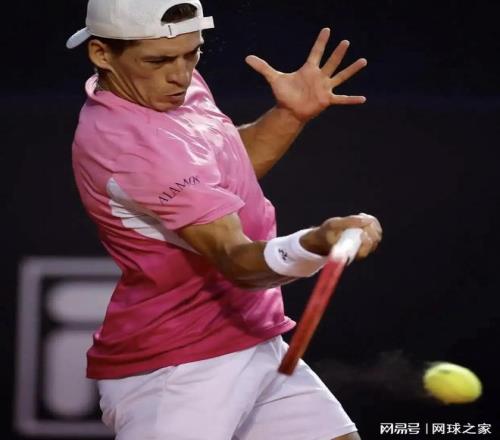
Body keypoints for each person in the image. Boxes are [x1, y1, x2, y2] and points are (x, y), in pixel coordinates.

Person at [67, 0, 382, 438]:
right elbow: (236, 261)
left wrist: (290, 115)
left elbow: (219, 171)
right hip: (176, 369)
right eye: (158, 60)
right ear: (102, 53)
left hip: (251, 337)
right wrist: (314, 241)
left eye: (191, 53)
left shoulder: (165, 86)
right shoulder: (129, 146)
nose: (180, 75)